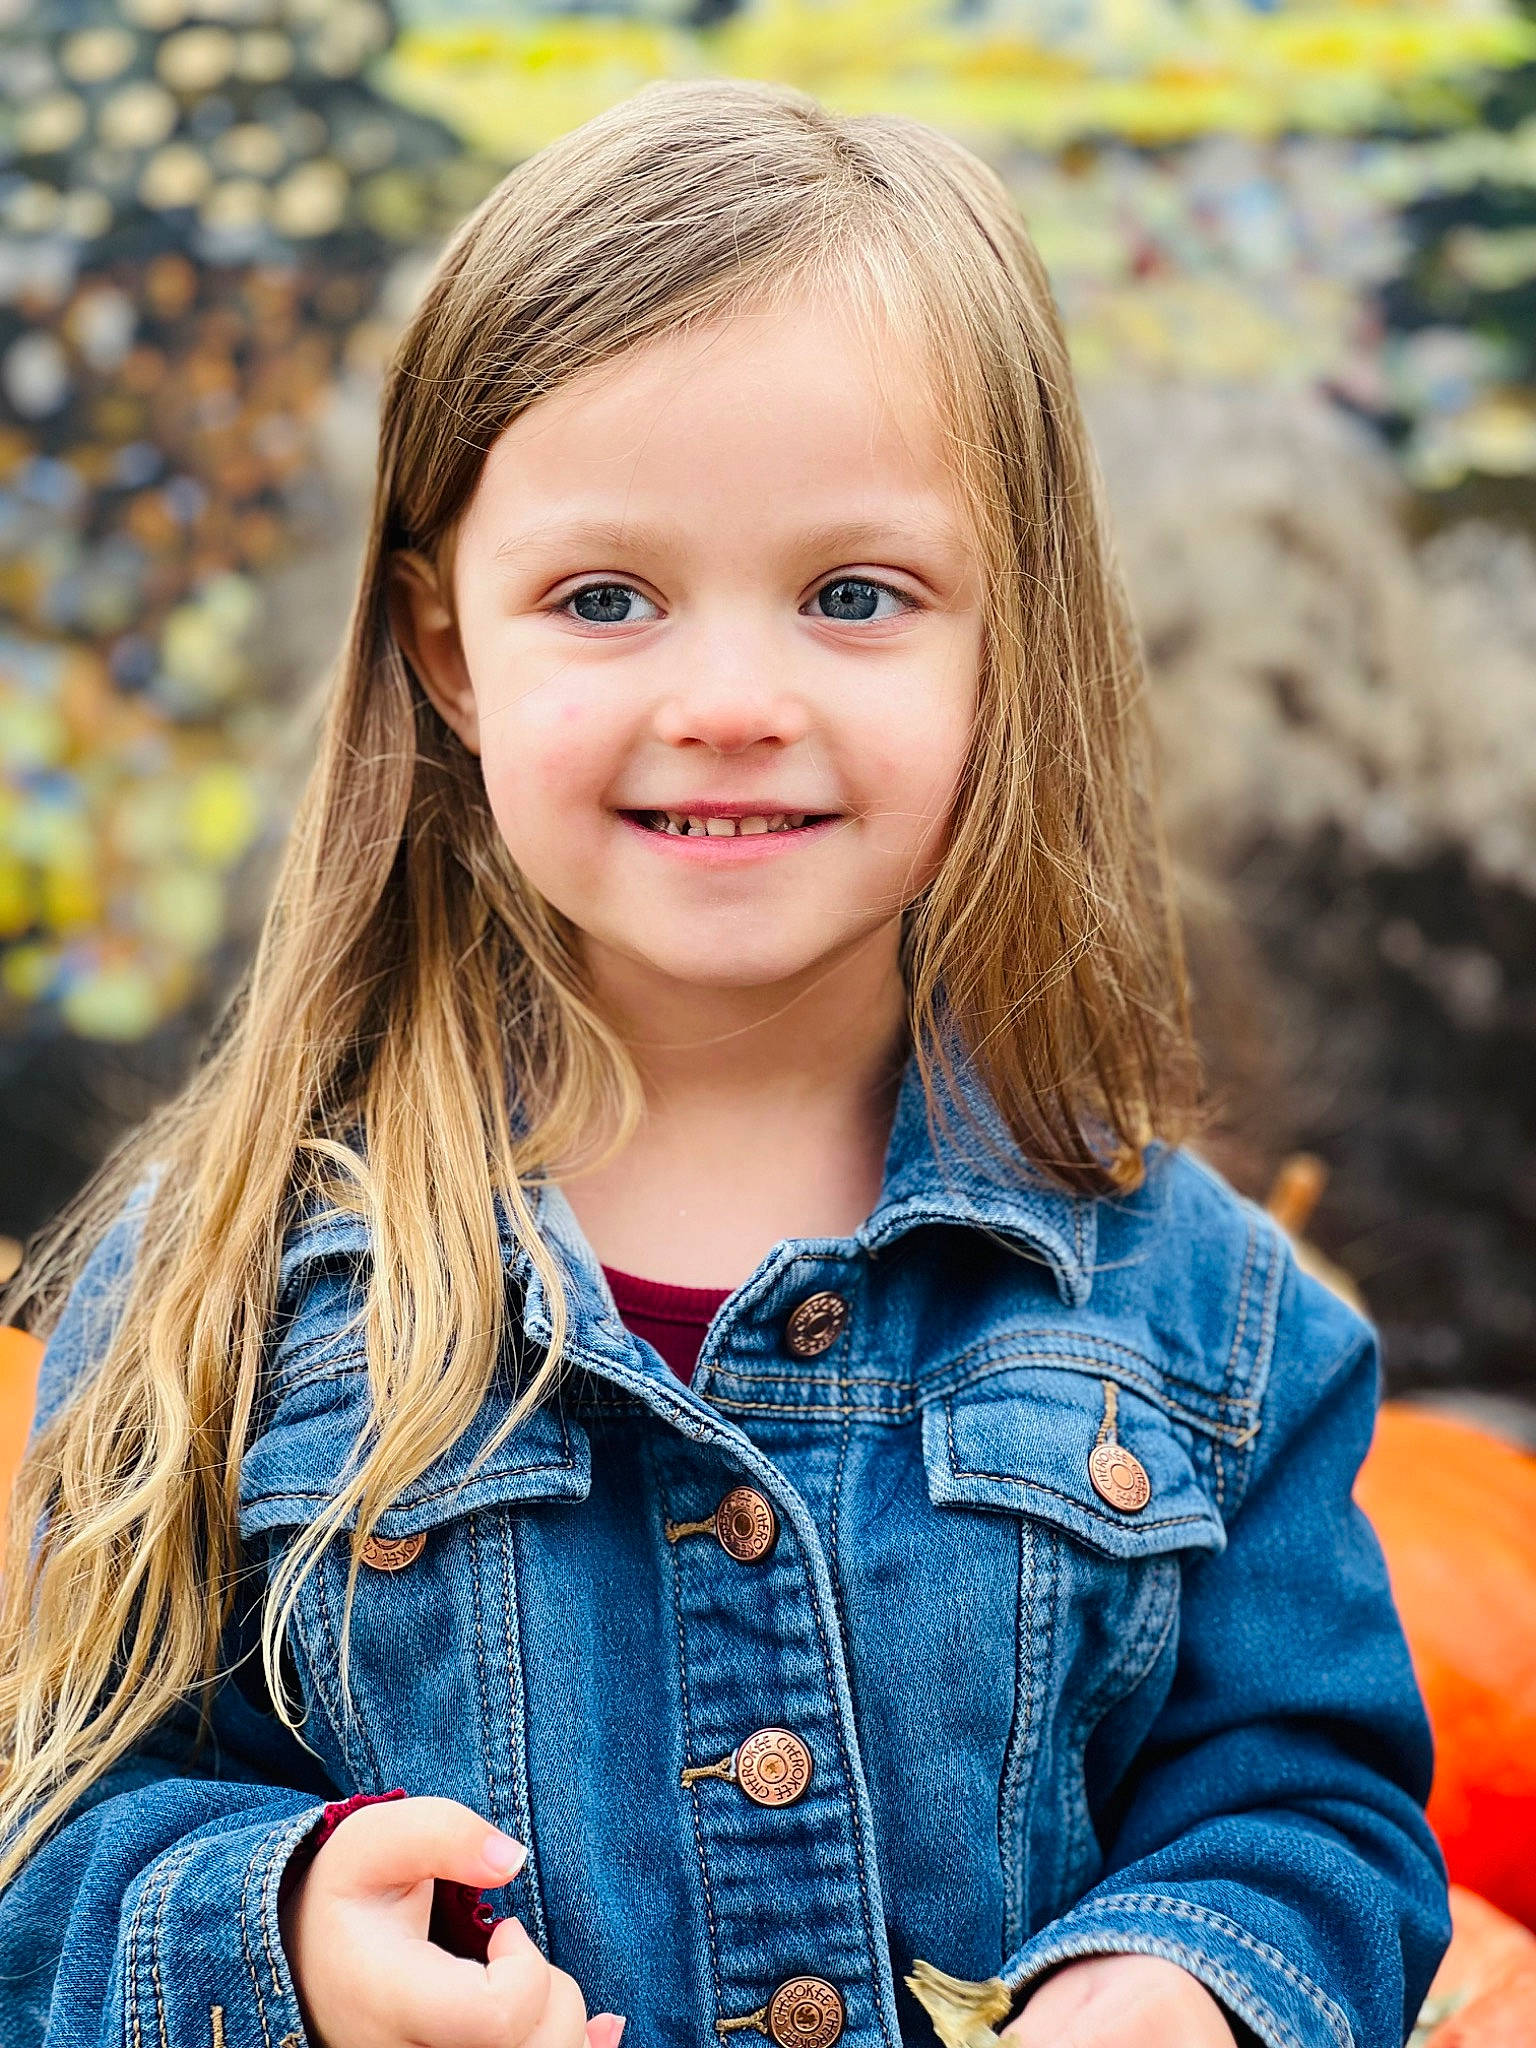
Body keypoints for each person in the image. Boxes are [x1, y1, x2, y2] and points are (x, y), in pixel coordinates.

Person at [0, 76, 1449, 2048]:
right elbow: (57, 1840)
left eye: (855, 597)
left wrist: (1184, 1976)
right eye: (606, 599)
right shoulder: (222, 1282)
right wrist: (288, 1936)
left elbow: (1313, 1802)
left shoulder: (1199, 1316)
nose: (735, 702)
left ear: (1002, 641)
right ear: (449, 651)